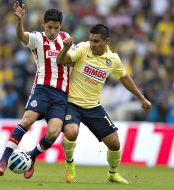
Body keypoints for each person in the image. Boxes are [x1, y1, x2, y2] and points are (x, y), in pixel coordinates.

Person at [56, 24, 152, 184]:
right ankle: (70, 162)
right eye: (91, 40)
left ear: (106, 41)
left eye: (96, 41)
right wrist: (65, 49)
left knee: (115, 143)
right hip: (72, 103)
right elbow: (61, 60)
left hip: (93, 106)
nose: (92, 44)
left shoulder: (113, 59)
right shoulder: (82, 48)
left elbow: (124, 78)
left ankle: (112, 174)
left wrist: (142, 98)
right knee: (72, 133)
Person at [0, 2, 71, 179]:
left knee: (53, 132)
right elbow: (22, 36)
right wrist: (20, 20)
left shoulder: (66, 39)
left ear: (61, 27)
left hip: (61, 93)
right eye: (50, 27)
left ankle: (31, 157)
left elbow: (72, 61)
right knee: (27, 120)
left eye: (56, 28)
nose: (53, 31)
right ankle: (4, 159)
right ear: (43, 25)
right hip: (42, 89)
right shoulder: (37, 38)